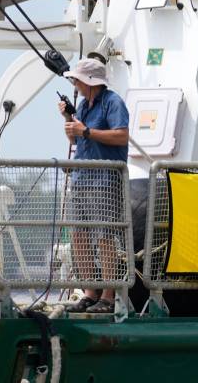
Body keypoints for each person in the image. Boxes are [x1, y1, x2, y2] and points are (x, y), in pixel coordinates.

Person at [57, 58, 130, 314]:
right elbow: (74, 135)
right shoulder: (83, 106)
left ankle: (108, 296)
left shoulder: (113, 102)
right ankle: (90, 293)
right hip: (82, 178)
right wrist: (69, 117)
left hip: (104, 179)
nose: (73, 83)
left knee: (104, 238)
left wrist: (86, 131)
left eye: (76, 79)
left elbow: (121, 135)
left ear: (89, 81)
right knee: (79, 236)